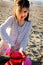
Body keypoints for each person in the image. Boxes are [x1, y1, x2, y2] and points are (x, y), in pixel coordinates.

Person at [0, 0, 32, 64]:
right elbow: (1, 28)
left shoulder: (29, 24)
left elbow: (25, 39)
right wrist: (11, 44)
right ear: (16, 10)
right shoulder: (12, 19)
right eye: (20, 11)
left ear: (28, 11)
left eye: (25, 11)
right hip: (5, 49)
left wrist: (21, 49)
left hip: (16, 51)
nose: (23, 14)